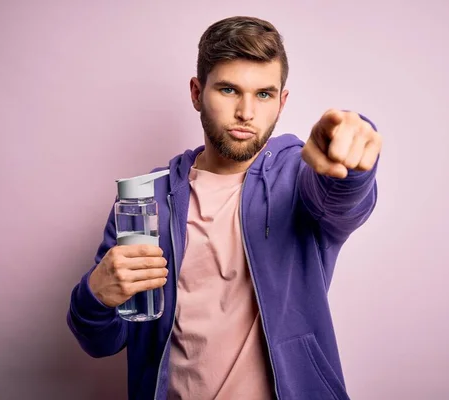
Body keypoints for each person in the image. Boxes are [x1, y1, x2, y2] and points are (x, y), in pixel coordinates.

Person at [67, 15, 382, 400]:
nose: (246, 113)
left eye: (264, 94)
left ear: (282, 102)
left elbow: (343, 201)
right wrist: (93, 296)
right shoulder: (145, 199)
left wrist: (348, 159)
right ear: (197, 92)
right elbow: (103, 340)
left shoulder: (298, 181)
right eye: (229, 90)